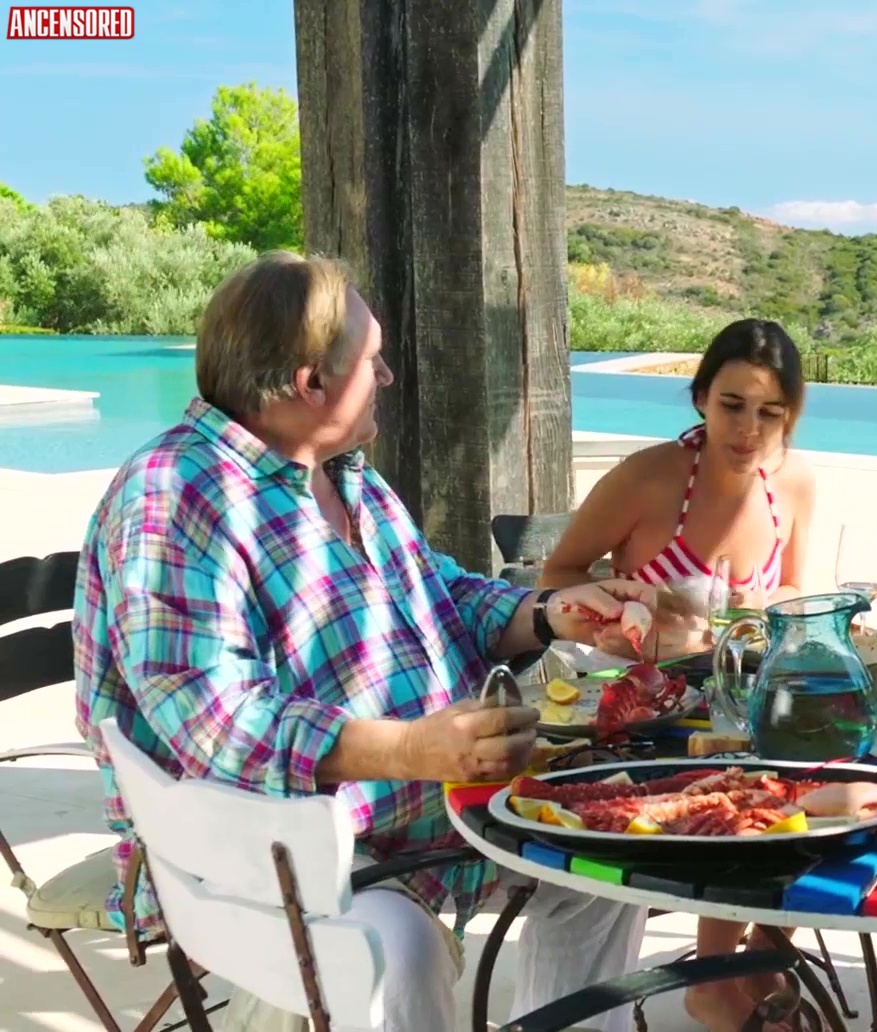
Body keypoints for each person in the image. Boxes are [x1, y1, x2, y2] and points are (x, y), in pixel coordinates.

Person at [72, 251, 694, 1032]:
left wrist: (552, 612)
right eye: (373, 359)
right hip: (270, 853)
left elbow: (441, 594)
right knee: (393, 951)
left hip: (428, 823)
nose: (388, 376)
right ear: (311, 383)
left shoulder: (345, 475)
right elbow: (213, 723)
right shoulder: (172, 497)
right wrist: (411, 750)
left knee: (610, 861)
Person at [538, 317, 818, 1032]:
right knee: (741, 778)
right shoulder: (649, 476)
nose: (749, 429)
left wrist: (762, 609)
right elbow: (558, 572)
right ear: (700, 399)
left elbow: (794, 588)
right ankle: (713, 980)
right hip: (648, 703)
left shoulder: (795, 483)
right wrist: (614, 611)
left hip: (739, 687)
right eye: (732, 405)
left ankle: (764, 953)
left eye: (770, 412)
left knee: (822, 763)